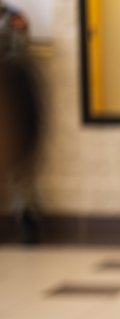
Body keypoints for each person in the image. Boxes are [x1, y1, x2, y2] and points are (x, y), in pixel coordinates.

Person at [0, 1, 43, 244]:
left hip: (11, 97)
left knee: (21, 174)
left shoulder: (13, 18)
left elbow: (20, 56)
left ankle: (27, 220)